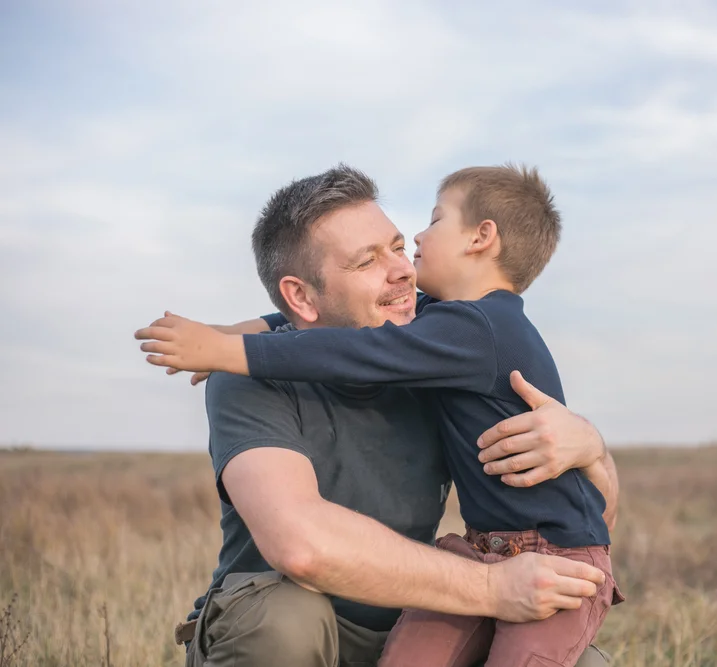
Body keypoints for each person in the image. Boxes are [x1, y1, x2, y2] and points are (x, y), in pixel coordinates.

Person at [135, 165, 620, 667]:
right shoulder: (247, 375)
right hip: (290, 623)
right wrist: (237, 342)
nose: (403, 267)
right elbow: (302, 546)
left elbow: (593, 522)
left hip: (401, 621)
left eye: (396, 245)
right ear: (301, 296)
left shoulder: (436, 356)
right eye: (368, 260)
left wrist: (590, 446)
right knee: (287, 621)